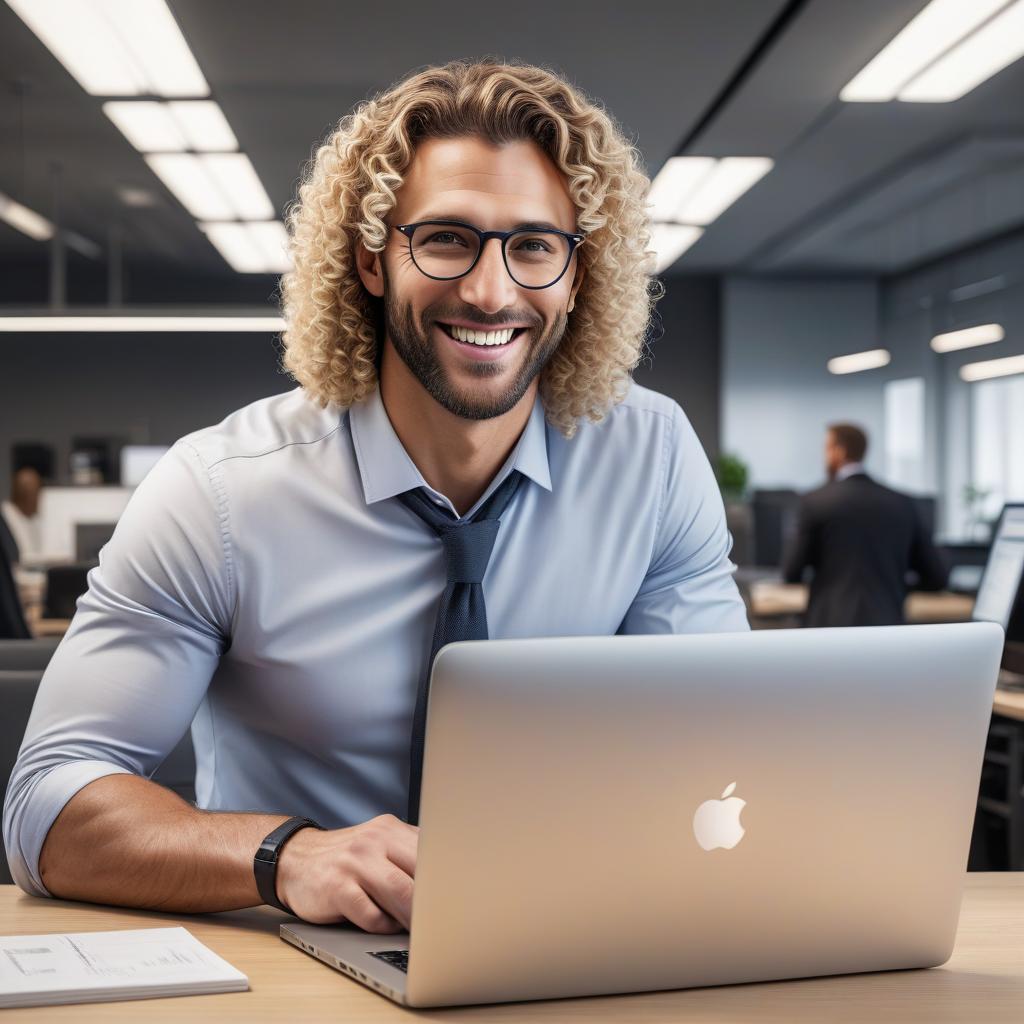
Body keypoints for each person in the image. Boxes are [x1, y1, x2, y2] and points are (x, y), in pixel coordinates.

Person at [3, 60, 748, 934]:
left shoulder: (650, 458)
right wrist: (287, 855)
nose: (490, 290)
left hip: (565, 944)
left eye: (534, 246)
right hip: (298, 965)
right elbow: (46, 811)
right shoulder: (222, 492)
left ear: (578, 276)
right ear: (369, 258)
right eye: (446, 238)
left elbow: (721, 752)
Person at [781, 423, 947, 628]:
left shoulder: (815, 501)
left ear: (838, 451)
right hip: (887, 627)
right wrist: (893, 584)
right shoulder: (903, 503)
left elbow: (791, 573)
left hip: (827, 629)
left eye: (826, 449)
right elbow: (937, 578)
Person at [1, 465, 45, 565]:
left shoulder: (34, 518)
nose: (38, 500)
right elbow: (19, 556)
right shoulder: (5, 517)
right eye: (34, 494)